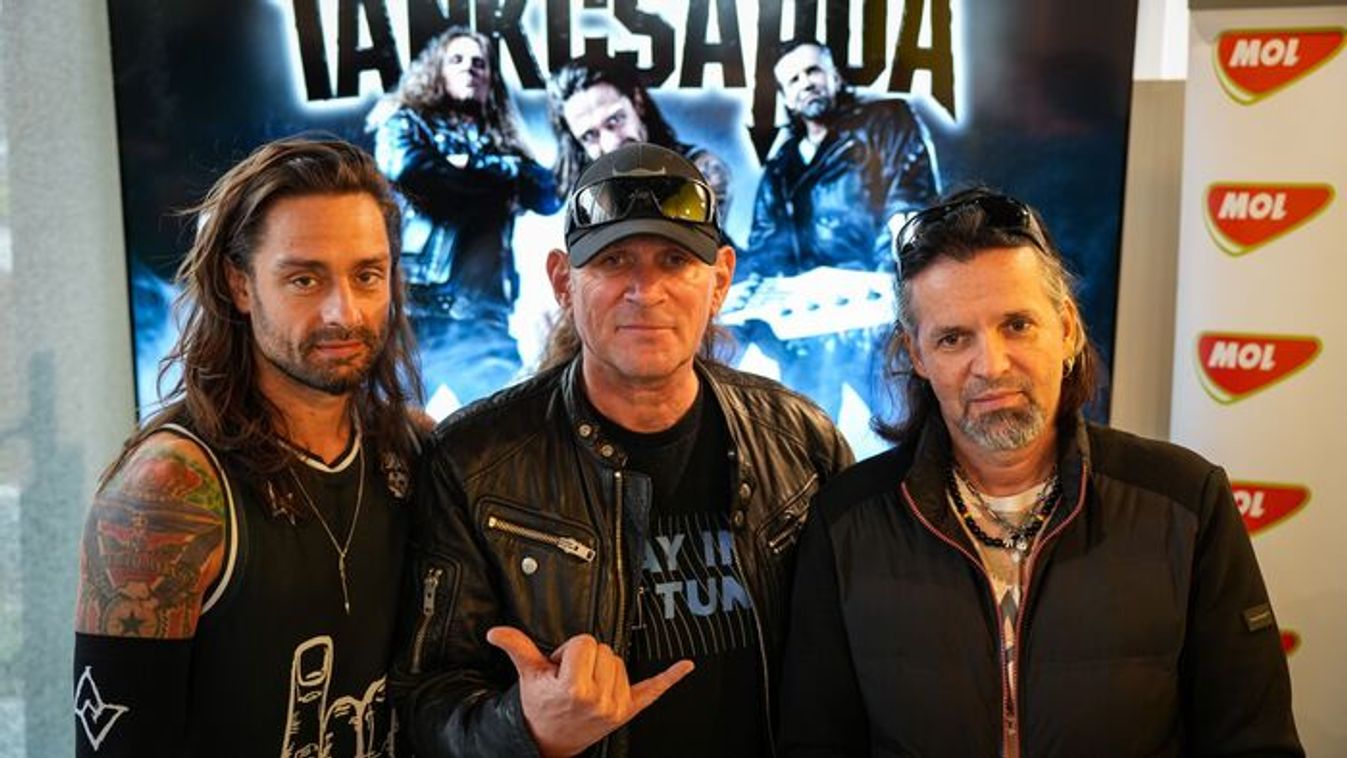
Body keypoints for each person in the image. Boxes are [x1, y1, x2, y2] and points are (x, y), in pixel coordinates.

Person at [778, 188, 1303, 756]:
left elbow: (1254, 740)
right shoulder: (845, 521)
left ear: (1068, 329)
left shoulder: (1186, 502)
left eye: (1017, 325)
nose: (991, 365)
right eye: (953, 338)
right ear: (918, 356)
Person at [393, 143, 853, 758]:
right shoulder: (473, 462)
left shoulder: (802, 440)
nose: (646, 290)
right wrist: (527, 730)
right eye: (613, 260)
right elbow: (425, 701)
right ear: (563, 281)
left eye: (675, 260)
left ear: (720, 280)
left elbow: (858, 656)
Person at [73, 138, 425, 757]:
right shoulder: (171, 490)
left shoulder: (413, 449)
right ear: (239, 284)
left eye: (367, 275)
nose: (343, 312)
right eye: (304, 279)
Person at [744, 40, 940, 420]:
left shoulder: (887, 120)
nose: (806, 83)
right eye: (794, 79)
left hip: (876, 317)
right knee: (803, 439)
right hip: (807, 331)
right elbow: (766, 244)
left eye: (813, 71)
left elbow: (908, 200)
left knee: (906, 425)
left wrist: (888, 288)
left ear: (833, 75)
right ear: (786, 97)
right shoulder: (781, 166)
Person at [369, 26, 561, 408]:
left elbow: (548, 193)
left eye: (479, 63)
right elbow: (410, 170)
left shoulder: (501, 140)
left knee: (508, 425)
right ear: (436, 71)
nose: (469, 68)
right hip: (417, 314)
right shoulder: (406, 123)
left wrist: (475, 165)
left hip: (484, 316)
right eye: (457, 59)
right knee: (391, 432)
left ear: (491, 79)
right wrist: (499, 177)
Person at [548, 56, 734, 220]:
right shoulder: (587, 196)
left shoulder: (701, 171)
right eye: (590, 136)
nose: (611, 143)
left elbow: (669, 242)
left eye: (615, 120)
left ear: (637, 103)